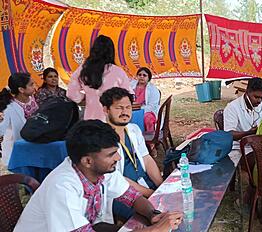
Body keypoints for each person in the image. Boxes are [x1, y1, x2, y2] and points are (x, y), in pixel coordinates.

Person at [14, 120, 183, 231]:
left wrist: (153, 215)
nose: (117, 158)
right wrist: (154, 230)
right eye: (111, 154)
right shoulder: (62, 186)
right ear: (87, 161)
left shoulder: (101, 171)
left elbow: (132, 197)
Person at [100, 87, 163, 219]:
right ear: (106, 110)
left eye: (128, 107)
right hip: (121, 194)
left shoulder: (133, 129)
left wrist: (161, 186)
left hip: (144, 183)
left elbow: (146, 158)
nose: (125, 112)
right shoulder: (101, 138)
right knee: (150, 217)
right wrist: (150, 193)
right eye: (119, 108)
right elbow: (116, 178)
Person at [67, 35, 134, 121]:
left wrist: (85, 96)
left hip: (90, 118)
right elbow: (127, 96)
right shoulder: (118, 72)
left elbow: (71, 94)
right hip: (113, 120)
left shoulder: (83, 69)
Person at [223, 78, 262, 159]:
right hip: (239, 148)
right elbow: (229, 134)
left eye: (261, 97)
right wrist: (248, 133)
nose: (259, 101)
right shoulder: (232, 107)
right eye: (256, 97)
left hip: (257, 146)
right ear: (247, 92)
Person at [0, 73, 38, 165]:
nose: (34, 86)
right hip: (16, 151)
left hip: (33, 147)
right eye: (31, 85)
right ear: (21, 89)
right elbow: (1, 130)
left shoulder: (32, 99)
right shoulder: (9, 108)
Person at [131, 67, 161, 132]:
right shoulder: (131, 85)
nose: (141, 77)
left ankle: (149, 137)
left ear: (148, 78)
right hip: (131, 109)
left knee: (148, 118)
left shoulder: (153, 89)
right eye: (139, 75)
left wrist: (140, 110)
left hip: (148, 111)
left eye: (144, 75)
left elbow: (152, 106)